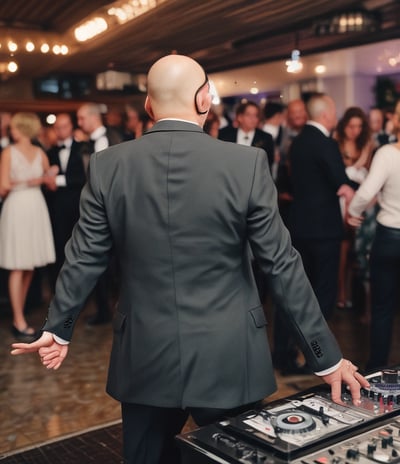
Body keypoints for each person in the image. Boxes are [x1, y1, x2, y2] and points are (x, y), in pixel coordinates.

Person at [11, 55, 369, 464]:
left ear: (149, 105)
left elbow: (84, 254)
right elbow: (281, 264)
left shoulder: (109, 165)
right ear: (205, 99)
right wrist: (326, 358)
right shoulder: (245, 164)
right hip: (229, 354)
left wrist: (58, 328)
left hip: (144, 353)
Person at [290, 93, 357, 322]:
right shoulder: (326, 143)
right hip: (324, 230)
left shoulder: (297, 142)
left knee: (300, 290)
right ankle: (320, 352)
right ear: (326, 115)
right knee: (324, 290)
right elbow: (340, 182)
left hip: (299, 227)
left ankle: (289, 348)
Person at [348, 99, 400, 371]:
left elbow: (366, 193)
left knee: (382, 308)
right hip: (389, 237)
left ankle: (378, 368)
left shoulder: (387, 153)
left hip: (390, 238)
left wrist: (353, 212)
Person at [0, 112, 56, 340]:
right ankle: (19, 319)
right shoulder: (8, 152)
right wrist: (36, 181)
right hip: (19, 206)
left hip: (34, 206)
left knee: (30, 264)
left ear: (22, 128)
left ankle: (18, 315)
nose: (10, 130)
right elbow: (3, 186)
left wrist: (49, 175)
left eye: (13, 127)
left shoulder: (40, 152)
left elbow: (51, 184)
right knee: (17, 264)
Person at [334, 107, 373, 310]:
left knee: (358, 251)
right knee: (342, 248)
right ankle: (341, 293)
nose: (355, 131)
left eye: (359, 126)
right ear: (344, 125)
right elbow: (343, 173)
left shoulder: (366, 143)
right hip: (342, 199)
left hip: (362, 198)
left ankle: (360, 299)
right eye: (351, 126)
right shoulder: (336, 141)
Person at [45, 113, 87, 291]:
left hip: (79, 206)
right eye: (57, 127)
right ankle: (61, 289)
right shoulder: (50, 152)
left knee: (79, 248)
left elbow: (84, 176)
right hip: (57, 207)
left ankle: (81, 289)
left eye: (64, 126)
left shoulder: (83, 148)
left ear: (71, 127)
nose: (61, 130)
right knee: (60, 247)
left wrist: (58, 180)